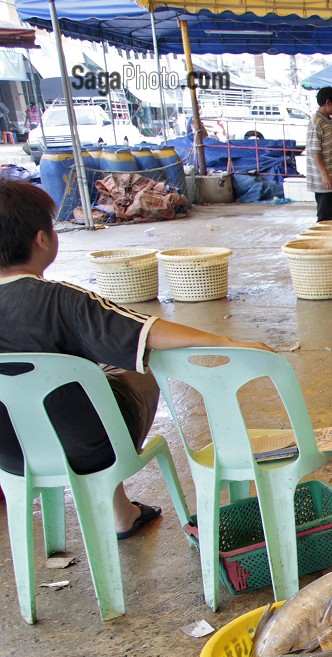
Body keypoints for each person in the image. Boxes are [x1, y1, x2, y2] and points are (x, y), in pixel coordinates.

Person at [0, 180, 272, 537]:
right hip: (92, 451)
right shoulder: (62, 300)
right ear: (42, 239)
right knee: (137, 366)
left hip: (11, 458)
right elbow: (147, 332)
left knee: (78, 378)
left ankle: (121, 511)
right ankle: (120, 513)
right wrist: (229, 341)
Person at [305, 87, 332, 223]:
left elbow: (331, 150)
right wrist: (324, 174)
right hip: (323, 182)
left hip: (331, 177)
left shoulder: (327, 121)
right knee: (326, 217)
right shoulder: (316, 122)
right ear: (328, 103)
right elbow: (315, 151)